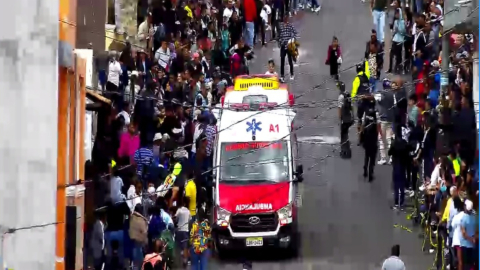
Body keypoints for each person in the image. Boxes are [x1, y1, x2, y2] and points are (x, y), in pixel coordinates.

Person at [389, 123, 410, 209]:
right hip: (403, 166)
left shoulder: (394, 143)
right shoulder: (404, 143)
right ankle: (401, 201)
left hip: (395, 166)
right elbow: (408, 153)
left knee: (396, 185)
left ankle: (396, 202)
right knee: (401, 185)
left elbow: (389, 152)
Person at [350, 62, 371, 140]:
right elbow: (368, 70)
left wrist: (352, 100)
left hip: (360, 101)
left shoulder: (357, 79)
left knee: (359, 119)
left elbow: (354, 92)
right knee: (368, 117)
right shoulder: (367, 76)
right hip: (368, 99)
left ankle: (360, 137)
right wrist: (366, 61)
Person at [278, 15, 298, 82]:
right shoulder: (281, 27)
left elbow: (295, 33)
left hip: (289, 46)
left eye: (286, 20)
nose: (286, 21)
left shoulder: (290, 26)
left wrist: (292, 40)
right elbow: (279, 36)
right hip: (283, 46)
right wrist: (280, 42)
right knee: (282, 62)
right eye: (285, 20)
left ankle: (292, 74)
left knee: (290, 61)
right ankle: (282, 76)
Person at [360, 105, 378, 181]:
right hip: (373, 138)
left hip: (367, 137)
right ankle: (371, 172)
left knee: (367, 155)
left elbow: (362, 125)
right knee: (372, 156)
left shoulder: (365, 113)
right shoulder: (376, 113)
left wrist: (361, 136)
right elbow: (377, 126)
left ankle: (365, 170)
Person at [337, 81, 353, 159]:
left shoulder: (341, 96)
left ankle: (344, 152)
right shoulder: (348, 94)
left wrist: (340, 118)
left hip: (344, 119)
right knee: (346, 134)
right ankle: (348, 151)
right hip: (349, 117)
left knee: (343, 136)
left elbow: (340, 108)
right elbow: (351, 106)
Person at [129, 204, 148, 270]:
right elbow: (144, 234)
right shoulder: (141, 220)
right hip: (138, 246)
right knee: (139, 265)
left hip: (130, 246)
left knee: (133, 265)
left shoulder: (130, 218)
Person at [175, 197, 191, 266]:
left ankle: (180, 257)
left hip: (179, 230)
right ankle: (185, 261)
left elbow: (176, 218)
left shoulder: (179, 210)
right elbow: (189, 220)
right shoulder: (188, 212)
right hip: (185, 231)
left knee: (179, 246)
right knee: (184, 246)